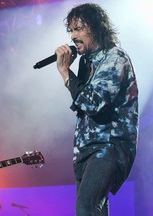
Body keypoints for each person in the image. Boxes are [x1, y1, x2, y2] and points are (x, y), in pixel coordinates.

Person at [55, 3, 138, 216]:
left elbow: (93, 103)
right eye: (71, 30)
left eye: (79, 29)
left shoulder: (114, 57)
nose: (73, 36)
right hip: (85, 150)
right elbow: (79, 103)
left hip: (109, 145)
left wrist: (65, 72)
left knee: (86, 206)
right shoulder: (86, 63)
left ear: (96, 28)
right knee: (95, 210)